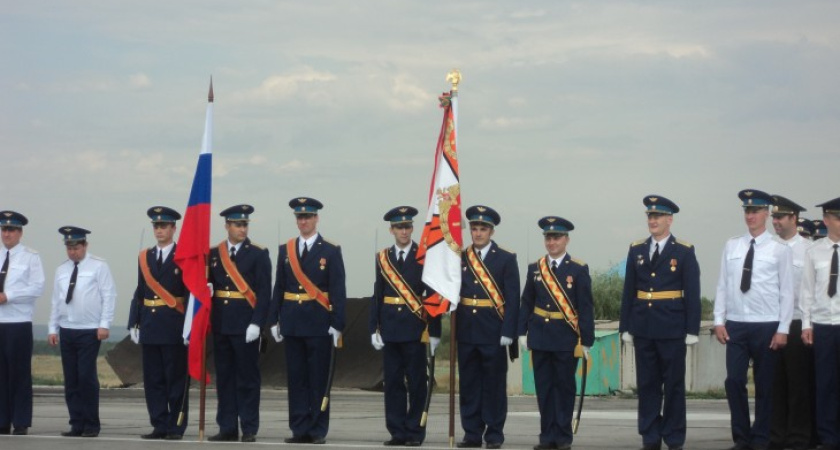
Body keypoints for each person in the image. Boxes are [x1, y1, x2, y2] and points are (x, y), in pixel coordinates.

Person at [713, 189, 794, 450]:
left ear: (766, 213)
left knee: (765, 385)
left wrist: (783, 328)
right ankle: (742, 437)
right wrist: (719, 320)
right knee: (734, 381)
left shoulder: (779, 249)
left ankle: (761, 438)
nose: (751, 216)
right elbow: (723, 285)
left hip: (766, 323)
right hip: (736, 323)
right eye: (747, 211)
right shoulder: (732, 245)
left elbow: (787, 292)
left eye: (756, 211)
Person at [618, 195, 701, 450]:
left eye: (658, 216)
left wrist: (692, 329)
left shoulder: (684, 251)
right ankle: (650, 436)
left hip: (672, 328)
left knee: (674, 386)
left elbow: (692, 292)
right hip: (643, 327)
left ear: (669, 220)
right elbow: (629, 291)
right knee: (647, 385)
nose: (652, 220)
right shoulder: (637, 249)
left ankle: (674, 437)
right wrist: (625, 327)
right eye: (650, 216)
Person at [269, 197, 347, 445]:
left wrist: (337, 323)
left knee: (318, 379)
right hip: (292, 322)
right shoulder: (286, 249)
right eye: (300, 217)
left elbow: (338, 290)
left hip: (318, 323)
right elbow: (279, 287)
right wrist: (274, 319)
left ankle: (317, 429)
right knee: (297, 379)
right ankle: (299, 428)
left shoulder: (330, 250)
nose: (303, 221)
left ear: (316, 218)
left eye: (308, 217)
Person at [518, 216, 594, 450]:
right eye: (548, 238)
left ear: (566, 240)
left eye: (556, 238)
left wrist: (586, 340)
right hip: (540, 337)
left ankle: (562, 437)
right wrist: (522, 332)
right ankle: (546, 436)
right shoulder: (535, 268)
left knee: (564, 388)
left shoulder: (578, 269)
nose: (552, 242)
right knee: (544, 389)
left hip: (565, 337)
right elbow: (526, 302)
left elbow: (585, 307)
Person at [370, 206, 441, 447]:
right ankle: (397, 431)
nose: (404, 231)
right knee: (392, 383)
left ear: (412, 228)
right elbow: (378, 294)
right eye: (399, 227)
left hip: (415, 329)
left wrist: (435, 330)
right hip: (390, 328)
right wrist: (373, 327)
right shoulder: (383, 258)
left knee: (417, 383)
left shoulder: (424, 256)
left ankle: (415, 432)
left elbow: (433, 296)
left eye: (407, 226)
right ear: (391, 230)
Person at [455, 205, 520, 450]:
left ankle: (494, 434)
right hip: (467, 331)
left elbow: (513, 299)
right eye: (474, 228)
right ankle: (471, 433)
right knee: (469, 385)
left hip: (493, 331)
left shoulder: (505, 258)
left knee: (493, 386)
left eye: (483, 229)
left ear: (491, 231)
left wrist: (509, 331)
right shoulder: (460, 257)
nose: (478, 233)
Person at [206, 204, 272, 443]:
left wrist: (257, 323)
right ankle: (227, 427)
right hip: (221, 324)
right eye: (237, 224)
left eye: (245, 224)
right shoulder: (214, 254)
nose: (242, 229)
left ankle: (249, 427)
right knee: (224, 379)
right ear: (227, 226)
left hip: (246, 326)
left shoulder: (258, 253)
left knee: (247, 379)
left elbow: (264, 293)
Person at [48, 226, 117, 438]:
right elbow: (56, 300)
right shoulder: (62, 269)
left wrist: (104, 324)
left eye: (76, 247)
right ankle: (76, 423)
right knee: (71, 379)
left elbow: (109, 295)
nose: (72, 252)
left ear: (85, 245)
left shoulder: (99, 266)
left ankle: (91, 424)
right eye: (69, 248)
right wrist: (52, 328)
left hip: (89, 329)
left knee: (86, 376)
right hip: (67, 328)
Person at [127, 206, 189, 440]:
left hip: (174, 326)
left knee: (175, 380)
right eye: (156, 226)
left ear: (173, 228)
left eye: (164, 226)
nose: (159, 230)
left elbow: (189, 293)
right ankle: (159, 424)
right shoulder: (145, 257)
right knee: (153, 380)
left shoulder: (184, 255)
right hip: (151, 325)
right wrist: (134, 321)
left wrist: (189, 326)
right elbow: (140, 291)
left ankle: (176, 426)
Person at [769, 195, 814, 450]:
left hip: (797, 321)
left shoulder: (808, 249)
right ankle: (776, 435)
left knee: (798, 383)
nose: (776, 222)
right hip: (772, 321)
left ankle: (799, 436)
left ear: (794, 218)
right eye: (774, 217)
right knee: (774, 383)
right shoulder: (768, 247)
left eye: (780, 217)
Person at [0, 211, 45, 436]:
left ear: (20, 233)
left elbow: (37, 287)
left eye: (11, 230)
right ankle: (2, 420)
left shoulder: (30, 257)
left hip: (18, 321)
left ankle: (20, 420)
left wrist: (9, 296)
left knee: (19, 374)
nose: (6, 234)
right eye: (4, 229)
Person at [800, 196, 840, 450]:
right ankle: (828, 437)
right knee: (825, 383)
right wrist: (807, 324)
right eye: (837, 218)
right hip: (823, 324)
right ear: (826, 220)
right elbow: (807, 291)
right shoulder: (814, 251)